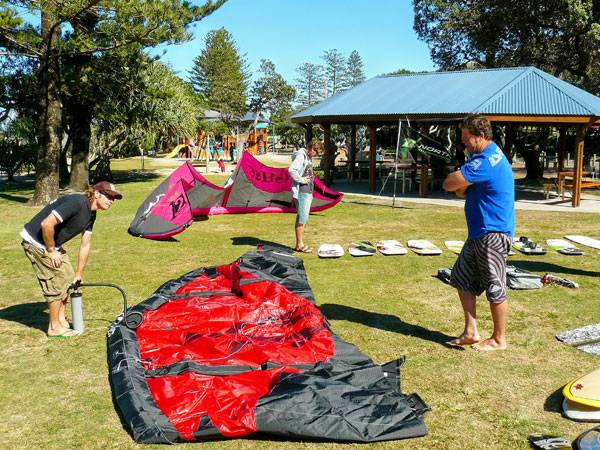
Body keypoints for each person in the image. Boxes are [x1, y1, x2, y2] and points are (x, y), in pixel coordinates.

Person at [442, 115, 515, 352]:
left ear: (481, 136)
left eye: (466, 137)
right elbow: (461, 190)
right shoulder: (484, 158)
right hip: (480, 233)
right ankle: (471, 331)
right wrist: (462, 182)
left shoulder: (485, 161)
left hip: (492, 233)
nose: (463, 142)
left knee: (495, 285)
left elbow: (450, 184)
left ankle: (499, 339)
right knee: (461, 277)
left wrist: (458, 178)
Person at [20, 181, 123, 337]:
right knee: (56, 281)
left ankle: (61, 320)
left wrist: (79, 274)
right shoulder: (77, 203)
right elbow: (46, 224)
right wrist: (51, 250)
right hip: (37, 242)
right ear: (96, 193)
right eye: (108, 196)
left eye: (114, 198)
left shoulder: (91, 214)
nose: (111, 201)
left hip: (52, 244)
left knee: (68, 278)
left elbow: (85, 244)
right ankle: (54, 327)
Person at [288, 139, 323, 253]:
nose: (316, 155)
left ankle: (300, 244)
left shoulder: (306, 156)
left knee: (303, 217)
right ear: (312, 148)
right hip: (303, 191)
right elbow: (292, 170)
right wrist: (302, 180)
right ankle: (299, 245)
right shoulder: (301, 156)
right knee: (302, 218)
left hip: (307, 191)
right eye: (316, 152)